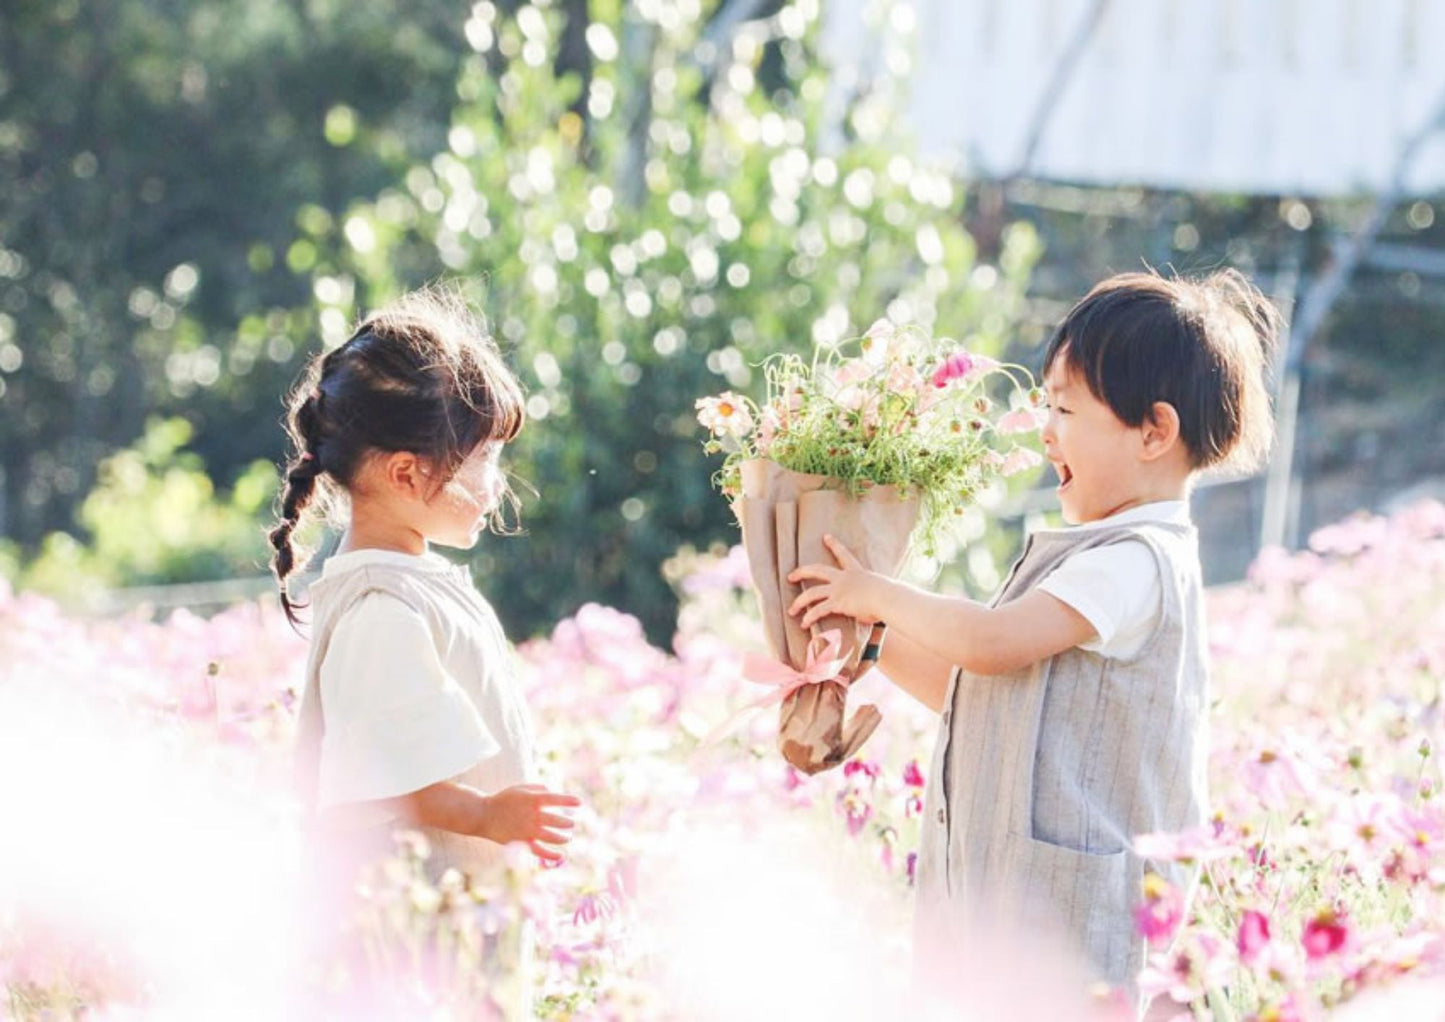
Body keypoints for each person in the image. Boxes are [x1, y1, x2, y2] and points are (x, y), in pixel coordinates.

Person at [787, 270, 1279, 1012]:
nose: (1043, 428)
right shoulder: (1098, 554)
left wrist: (880, 595)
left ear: (1154, 431)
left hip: (1073, 924)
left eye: (1063, 407)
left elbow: (988, 644)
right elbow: (977, 693)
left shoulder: (1135, 561)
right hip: (1000, 906)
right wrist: (874, 646)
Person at [269, 287, 579, 1015]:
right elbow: (388, 776)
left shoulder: (411, 587)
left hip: (449, 923)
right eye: (483, 461)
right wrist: (490, 818)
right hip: (415, 951)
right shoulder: (382, 609)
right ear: (407, 473)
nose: (495, 485)